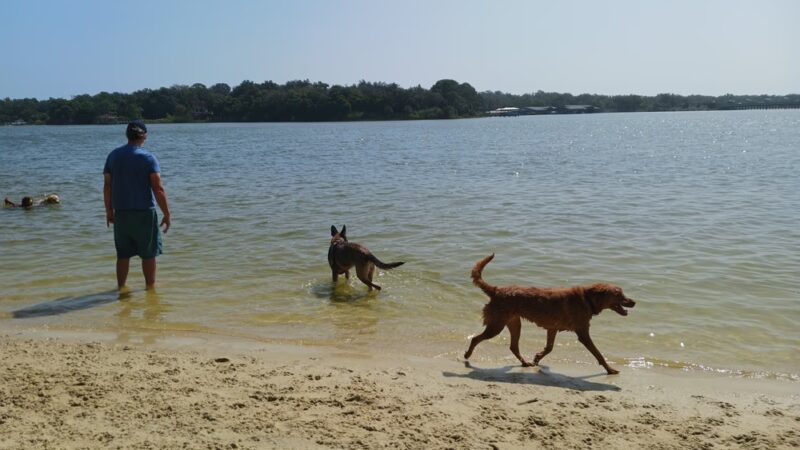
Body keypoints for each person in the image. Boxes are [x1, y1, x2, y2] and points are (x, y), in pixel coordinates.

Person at [103, 120, 171, 290]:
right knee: (148, 254)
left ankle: (121, 288)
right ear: (145, 136)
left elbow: (107, 186)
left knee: (123, 254)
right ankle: (150, 289)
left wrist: (109, 211)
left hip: (121, 213)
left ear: (127, 135)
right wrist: (167, 214)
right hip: (144, 213)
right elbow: (158, 189)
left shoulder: (113, 156)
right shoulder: (148, 158)